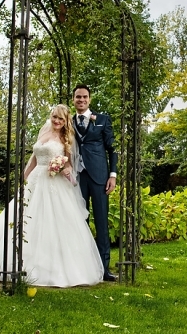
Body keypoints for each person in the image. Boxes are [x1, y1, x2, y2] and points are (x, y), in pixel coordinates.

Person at [0, 104, 103, 287]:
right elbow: (34, 159)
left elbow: (69, 164)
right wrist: (24, 179)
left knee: (49, 221)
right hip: (35, 179)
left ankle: (50, 267)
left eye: (60, 119)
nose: (56, 121)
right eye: (54, 117)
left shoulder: (66, 139)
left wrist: (62, 168)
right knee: (20, 216)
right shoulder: (43, 133)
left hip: (53, 182)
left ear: (66, 121)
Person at [72, 84, 118, 281]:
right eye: (77, 97)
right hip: (77, 177)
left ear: (89, 99)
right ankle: (82, 267)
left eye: (84, 97)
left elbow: (113, 149)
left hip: (100, 177)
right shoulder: (68, 121)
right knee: (80, 222)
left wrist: (113, 175)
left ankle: (104, 269)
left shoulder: (102, 120)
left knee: (101, 223)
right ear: (73, 100)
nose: (81, 100)